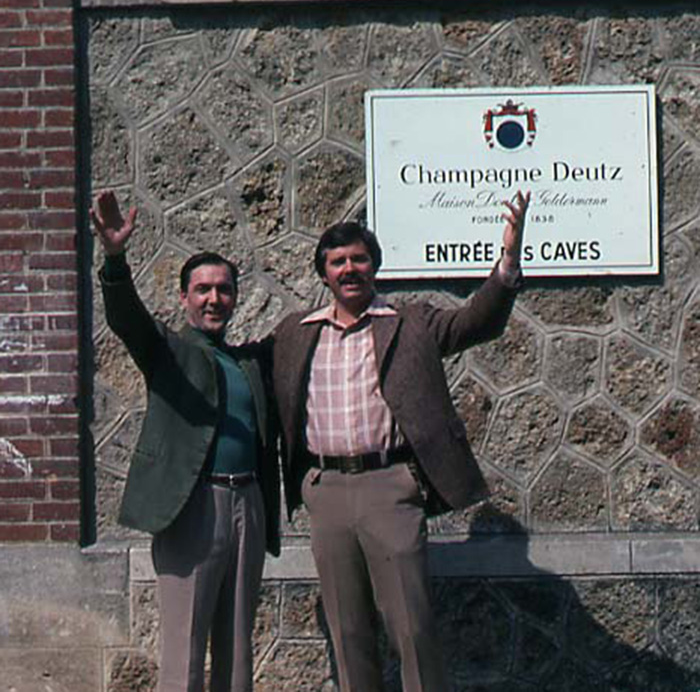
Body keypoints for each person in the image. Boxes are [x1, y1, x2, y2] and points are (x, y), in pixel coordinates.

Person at [271, 190, 531, 692]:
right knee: (347, 633)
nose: (349, 269)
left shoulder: (412, 322)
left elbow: (478, 320)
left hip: (390, 486)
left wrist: (508, 261)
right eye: (337, 262)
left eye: (359, 259)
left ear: (376, 266)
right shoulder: (294, 333)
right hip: (325, 491)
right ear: (323, 272)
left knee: (411, 627)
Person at [91, 191, 280, 692]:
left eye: (223, 290)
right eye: (201, 290)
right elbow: (127, 319)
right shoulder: (169, 352)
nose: (213, 298)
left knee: (238, 651)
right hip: (192, 508)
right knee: (185, 652)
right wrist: (114, 258)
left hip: (249, 505)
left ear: (235, 298)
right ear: (184, 298)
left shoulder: (248, 362)